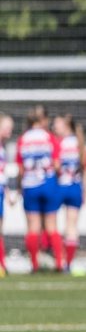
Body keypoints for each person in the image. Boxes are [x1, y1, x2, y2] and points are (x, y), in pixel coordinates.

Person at [16, 106, 64, 273]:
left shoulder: (23, 139)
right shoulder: (49, 137)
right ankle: (59, 263)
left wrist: (19, 186)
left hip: (30, 185)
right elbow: (57, 164)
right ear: (43, 120)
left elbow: (21, 168)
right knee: (51, 225)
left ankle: (34, 265)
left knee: (33, 226)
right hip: (48, 183)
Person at [52, 113, 86, 272]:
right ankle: (68, 263)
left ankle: (56, 258)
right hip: (75, 187)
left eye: (57, 123)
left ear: (65, 126)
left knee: (50, 224)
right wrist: (84, 190)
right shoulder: (80, 144)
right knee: (71, 226)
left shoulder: (59, 143)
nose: (54, 126)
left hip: (60, 186)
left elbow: (56, 166)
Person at [0, 112, 12, 276]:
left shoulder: (3, 146)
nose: (10, 130)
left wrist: (7, 191)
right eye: (7, 127)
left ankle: (2, 264)